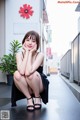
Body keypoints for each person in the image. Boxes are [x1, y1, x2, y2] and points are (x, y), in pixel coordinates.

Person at [14, 31, 49, 111]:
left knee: (30, 75)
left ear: (37, 44)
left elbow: (29, 72)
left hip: (38, 85)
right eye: (27, 40)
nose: (30, 43)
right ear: (23, 42)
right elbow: (22, 72)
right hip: (26, 87)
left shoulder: (40, 55)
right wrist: (27, 53)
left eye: (33, 41)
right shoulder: (19, 55)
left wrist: (30, 54)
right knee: (17, 74)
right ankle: (29, 99)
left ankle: (37, 97)